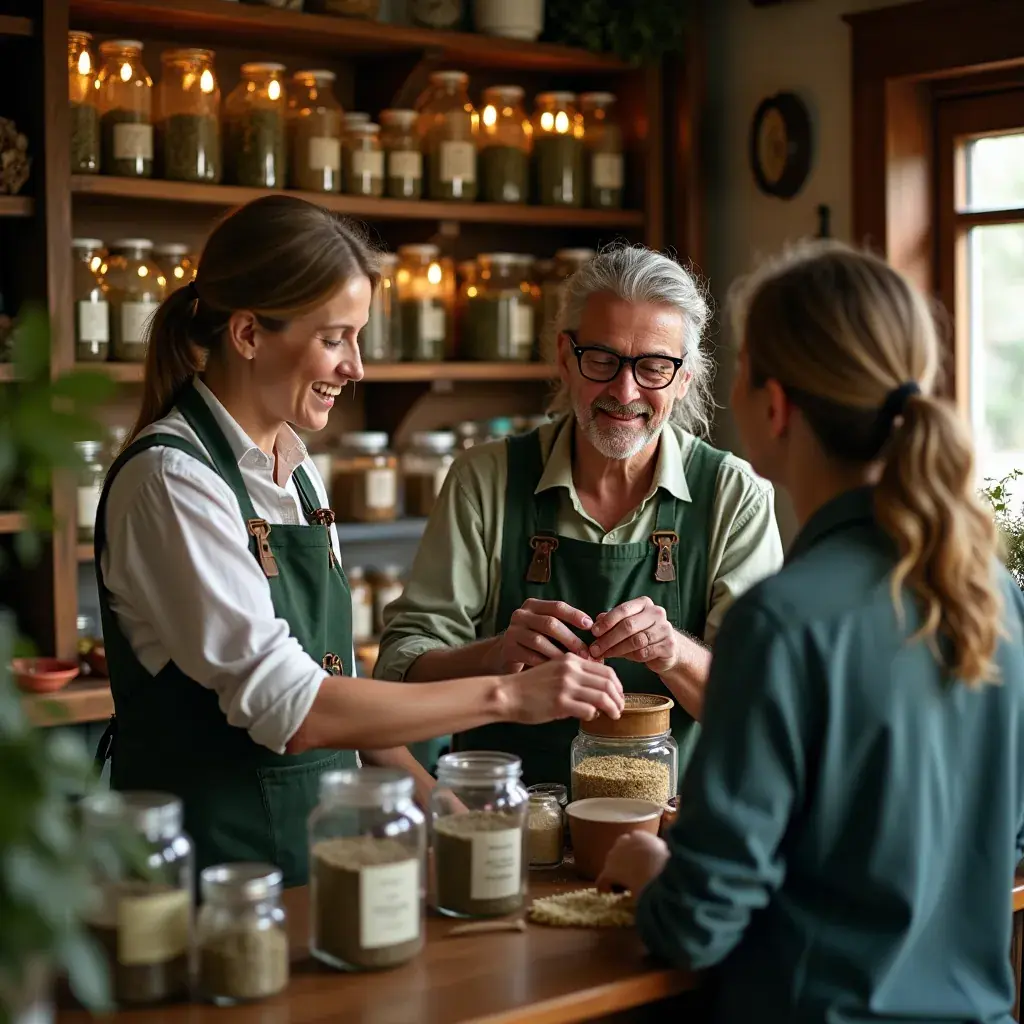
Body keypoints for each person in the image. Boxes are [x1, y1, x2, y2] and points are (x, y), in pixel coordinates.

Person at [93, 195, 624, 887]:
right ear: (249, 333)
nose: (357, 368)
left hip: (316, 864)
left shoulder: (296, 468)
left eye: (359, 338)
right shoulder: (170, 482)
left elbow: (334, 682)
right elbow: (296, 707)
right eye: (335, 337)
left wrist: (439, 806)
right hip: (210, 882)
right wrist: (507, 696)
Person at [596, 240, 1024, 1022]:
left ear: (775, 403)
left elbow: (699, 924)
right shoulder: (995, 593)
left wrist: (649, 865)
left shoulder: (782, 623)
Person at [375, 245, 783, 788]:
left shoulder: (735, 495)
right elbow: (401, 665)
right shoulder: (486, 478)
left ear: (683, 379)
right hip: (505, 818)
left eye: (654, 367)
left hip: (668, 834)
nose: (625, 391)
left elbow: (759, 709)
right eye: (603, 360)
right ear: (566, 357)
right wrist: (494, 655)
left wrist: (675, 653)